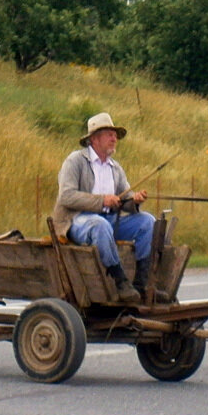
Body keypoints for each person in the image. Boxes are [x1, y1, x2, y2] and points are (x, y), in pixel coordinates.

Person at [52, 112, 168, 304]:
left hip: (110, 220)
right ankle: (120, 280)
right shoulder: (76, 161)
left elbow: (125, 200)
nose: (114, 139)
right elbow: (66, 196)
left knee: (148, 221)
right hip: (77, 219)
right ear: (95, 138)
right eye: (110, 134)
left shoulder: (115, 167)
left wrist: (135, 200)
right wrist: (102, 201)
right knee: (99, 225)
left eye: (115, 135)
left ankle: (142, 282)